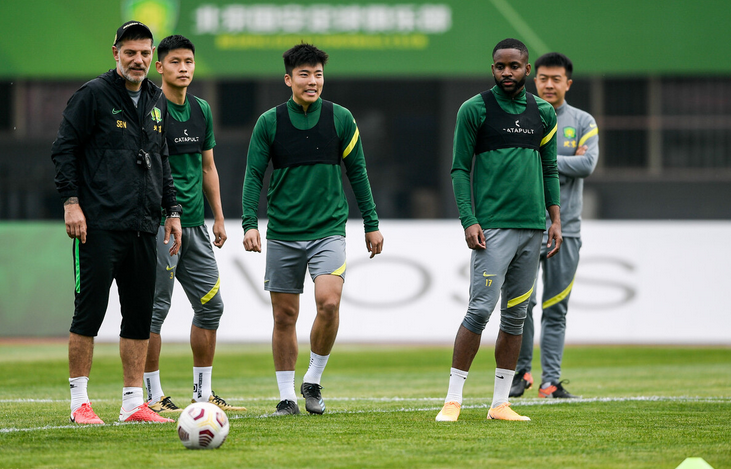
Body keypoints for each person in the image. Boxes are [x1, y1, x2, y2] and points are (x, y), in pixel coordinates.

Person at [51, 21, 182, 425]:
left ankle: (132, 404)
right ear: (115, 53)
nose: (138, 60)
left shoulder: (157, 99)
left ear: (151, 56)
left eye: (144, 53)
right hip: (98, 225)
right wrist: (71, 203)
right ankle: (79, 404)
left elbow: (161, 159)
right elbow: (64, 150)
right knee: (88, 314)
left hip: (144, 225)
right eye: (130, 52)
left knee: (139, 317)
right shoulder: (92, 95)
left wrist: (172, 211)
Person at [242, 43, 384, 416]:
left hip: (329, 229)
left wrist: (371, 224)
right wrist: (249, 223)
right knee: (284, 316)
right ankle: (286, 397)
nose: (312, 81)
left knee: (329, 302)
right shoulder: (269, 122)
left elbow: (358, 172)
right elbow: (253, 175)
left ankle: (313, 379)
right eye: (304, 74)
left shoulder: (341, 119)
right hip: (283, 233)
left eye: (318, 74)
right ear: (288, 79)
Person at [435, 38, 561, 422]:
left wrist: (554, 219)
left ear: (527, 69)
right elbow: (459, 169)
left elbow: (549, 169)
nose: (507, 72)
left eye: (514, 66)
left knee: (516, 318)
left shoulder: (544, 113)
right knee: (479, 311)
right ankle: (452, 400)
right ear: (492, 68)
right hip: (492, 229)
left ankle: (500, 404)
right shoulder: (474, 109)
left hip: (532, 228)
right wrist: (469, 219)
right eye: (500, 66)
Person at [142, 35, 246, 414]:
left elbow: (208, 166)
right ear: (160, 67)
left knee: (211, 307)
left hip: (196, 227)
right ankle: (152, 396)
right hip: (159, 226)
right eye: (175, 62)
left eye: (188, 61)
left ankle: (202, 394)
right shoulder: (151, 110)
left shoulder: (201, 109)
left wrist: (218, 216)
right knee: (155, 311)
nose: (183, 68)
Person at [510, 52, 599, 399]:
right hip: (527, 225)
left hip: (568, 229)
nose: (549, 84)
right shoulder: (520, 115)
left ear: (568, 83)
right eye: (543, 78)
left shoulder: (583, 121)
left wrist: (541, 157)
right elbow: (514, 163)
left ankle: (550, 382)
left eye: (556, 79)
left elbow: (587, 164)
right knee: (521, 305)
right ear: (535, 80)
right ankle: (521, 373)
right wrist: (566, 160)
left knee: (556, 307)